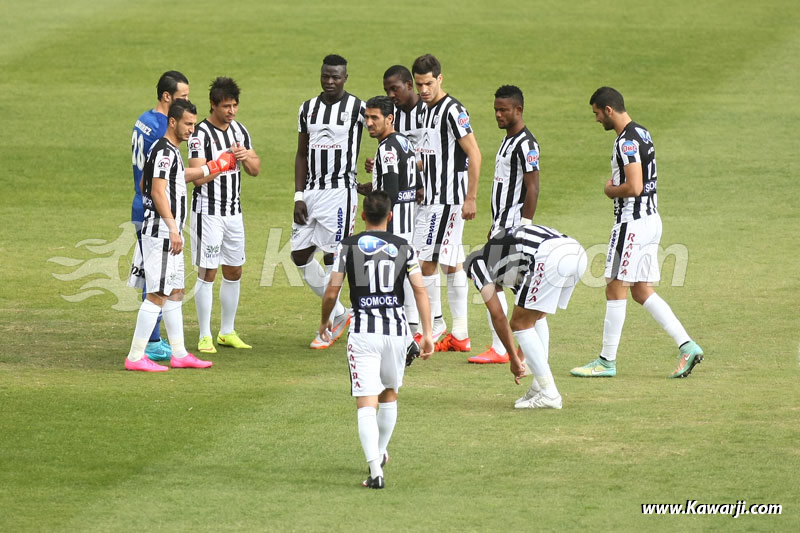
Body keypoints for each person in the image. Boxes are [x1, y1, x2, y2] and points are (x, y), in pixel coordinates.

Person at [571, 87, 704, 379]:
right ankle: (687, 345)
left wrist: (610, 190)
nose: (596, 120)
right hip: (651, 219)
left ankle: (606, 361)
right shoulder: (642, 132)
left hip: (632, 223)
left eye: (596, 113)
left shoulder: (626, 141)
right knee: (641, 290)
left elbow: (634, 186)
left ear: (608, 110)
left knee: (614, 286)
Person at [319, 191, 434, 489]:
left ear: (362, 216)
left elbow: (332, 291)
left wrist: (325, 322)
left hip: (364, 333)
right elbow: (420, 290)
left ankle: (375, 471)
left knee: (366, 403)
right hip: (396, 330)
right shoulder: (404, 247)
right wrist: (428, 333)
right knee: (389, 394)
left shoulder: (347, 246)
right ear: (390, 215)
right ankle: (381, 452)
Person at [125, 99, 235, 372]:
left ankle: (180, 353)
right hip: (162, 232)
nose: (192, 129)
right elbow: (158, 190)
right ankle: (136, 357)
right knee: (157, 294)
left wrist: (213, 167)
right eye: (187, 123)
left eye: (194, 124)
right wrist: (173, 227)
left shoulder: (167, 151)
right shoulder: (164, 151)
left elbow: (146, 182)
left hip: (165, 231)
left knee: (176, 292)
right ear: (172, 122)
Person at [466, 224, 587, 408]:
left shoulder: (476, 263)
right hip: (577, 253)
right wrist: (522, 354)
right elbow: (535, 314)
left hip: (550, 255)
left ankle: (549, 393)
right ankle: (539, 386)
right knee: (535, 317)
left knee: (519, 323)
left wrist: (514, 359)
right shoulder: (509, 263)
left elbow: (498, 315)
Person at [411, 54, 482, 353]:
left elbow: (475, 154)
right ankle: (461, 334)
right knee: (452, 264)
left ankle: (436, 324)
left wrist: (471, 197)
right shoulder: (424, 111)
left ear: (440, 79)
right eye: (419, 84)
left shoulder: (453, 111)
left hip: (447, 200)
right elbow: (429, 157)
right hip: (432, 198)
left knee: (424, 261)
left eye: (428, 83)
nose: (424, 89)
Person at [293, 54, 365, 349]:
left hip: (341, 193)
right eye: (326, 76)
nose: (330, 82)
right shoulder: (307, 109)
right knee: (298, 256)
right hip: (310, 193)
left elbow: (385, 129)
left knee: (334, 258)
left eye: (336, 77)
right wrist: (298, 195)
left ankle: (332, 325)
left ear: (345, 77)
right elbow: (301, 154)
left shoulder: (358, 108)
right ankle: (340, 313)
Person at [469, 85, 542, 365]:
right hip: (502, 225)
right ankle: (509, 346)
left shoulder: (526, 144)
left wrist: (524, 226)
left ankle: (503, 348)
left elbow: (532, 188)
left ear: (518, 110)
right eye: (496, 109)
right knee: (506, 285)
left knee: (501, 284)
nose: (498, 114)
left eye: (504, 110)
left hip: (514, 227)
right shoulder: (507, 139)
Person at [188, 77, 261, 354]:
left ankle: (227, 331)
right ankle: (205, 335)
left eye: (234, 106)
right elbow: (196, 176)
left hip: (234, 213)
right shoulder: (200, 134)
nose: (231, 111)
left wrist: (244, 157)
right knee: (208, 272)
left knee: (234, 270)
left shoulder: (240, 131)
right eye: (226, 106)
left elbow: (255, 169)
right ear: (213, 105)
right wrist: (224, 161)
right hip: (208, 213)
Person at [129, 71, 189, 361]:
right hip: (155, 211)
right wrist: (211, 169)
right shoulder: (160, 129)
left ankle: (171, 346)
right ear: (168, 97)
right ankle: (150, 343)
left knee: (163, 281)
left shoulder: (142, 120)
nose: (187, 101)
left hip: (142, 204)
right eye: (183, 97)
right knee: (156, 282)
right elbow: (159, 182)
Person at [364, 96, 421, 358]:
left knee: (388, 282)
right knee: (403, 278)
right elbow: (416, 184)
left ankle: (405, 340)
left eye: (375, 118)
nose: (369, 122)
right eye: (367, 117)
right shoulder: (405, 143)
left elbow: (392, 192)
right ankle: (410, 331)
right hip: (407, 222)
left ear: (390, 119)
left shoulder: (386, 148)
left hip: (392, 224)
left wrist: (379, 221)